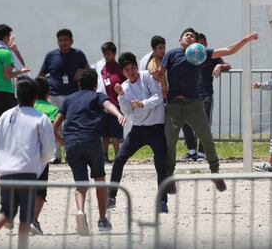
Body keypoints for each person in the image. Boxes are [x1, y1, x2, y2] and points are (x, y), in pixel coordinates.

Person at [154, 28, 258, 193]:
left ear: (196, 42)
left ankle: (215, 172)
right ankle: (169, 177)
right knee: (170, 140)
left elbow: (229, 50)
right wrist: (157, 75)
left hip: (195, 104)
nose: (189, 37)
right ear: (180, 40)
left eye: (192, 36)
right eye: (186, 35)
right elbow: (160, 73)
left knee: (207, 139)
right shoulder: (172, 54)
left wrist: (246, 39)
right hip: (174, 105)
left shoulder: (201, 53)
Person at [0, 77, 55, 249]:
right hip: (28, 171)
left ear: (17, 95)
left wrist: (3, 158)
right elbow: (49, 149)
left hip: (6, 170)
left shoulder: (6, 115)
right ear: (35, 97)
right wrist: (39, 163)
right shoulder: (40, 118)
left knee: (6, 209)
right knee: (26, 215)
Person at [53, 68, 126, 235]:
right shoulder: (97, 95)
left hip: (71, 143)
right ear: (95, 84)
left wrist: (61, 140)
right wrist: (118, 114)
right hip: (91, 140)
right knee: (99, 178)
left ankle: (80, 211)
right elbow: (108, 105)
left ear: (79, 84)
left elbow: (55, 125)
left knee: (81, 183)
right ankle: (102, 220)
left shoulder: (69, 99)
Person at [108, 52, 169, 213]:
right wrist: (121, 95)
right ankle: (111, 197)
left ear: (137, 66)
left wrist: (143, 103)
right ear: (123, 72)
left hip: (156, 127)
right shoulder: (125, 86)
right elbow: (127, 111)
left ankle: (163, 202)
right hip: (138, 130)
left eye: (133, 67)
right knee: (119, 158)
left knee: (160, 164)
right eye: (126, 70)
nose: (131, 72)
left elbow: (158, 97)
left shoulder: (147, 77)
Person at [0, 24, 31, 167]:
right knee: (8, 124)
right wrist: (21, 72)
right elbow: (7, 75)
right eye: (9, 36)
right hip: (5, 92)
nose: (10, 38)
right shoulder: (6, 52)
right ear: (5, 37)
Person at [38, 28, 89, 164]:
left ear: (71, 41)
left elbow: (88, 70)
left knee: (71, 125)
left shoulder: (78, 54)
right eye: (60, 40)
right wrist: (38, 90)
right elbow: (41, 74)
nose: (63, 43)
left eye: (66, 40)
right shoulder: (51, 55)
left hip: (73, 96)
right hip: (54, 95)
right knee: (54, 125)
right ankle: (55, 155)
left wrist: (81, 72)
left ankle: (70, 153)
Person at [181, 33, 231, 161]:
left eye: (203, 43)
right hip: (188, 95)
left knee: (204, 124)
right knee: (185, 121)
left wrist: (219, 66)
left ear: (206, 45)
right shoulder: (190, 55)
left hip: (205, 95)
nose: (201, 46)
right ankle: (191, 150)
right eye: (199, 43)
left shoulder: (210, 56)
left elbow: (228, 64)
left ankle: (202, 152)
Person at [29, 77, 60, 235]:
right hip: (41, 155)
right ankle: (33, 219)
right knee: (40, 190)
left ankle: (9, 213)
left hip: (24, 153)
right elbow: (53, 131)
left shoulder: (26, 107)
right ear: (48, 93)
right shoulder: (53, 109)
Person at [92, 42, 126, 163]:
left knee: (115, 132)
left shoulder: (119, 68)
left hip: (116, 106)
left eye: (109, 54)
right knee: (104, 133)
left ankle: (118, 154)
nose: (106, 56)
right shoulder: (100, 68)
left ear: (114, 53)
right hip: (103, 105)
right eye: (105, 54)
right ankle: (104, 154)